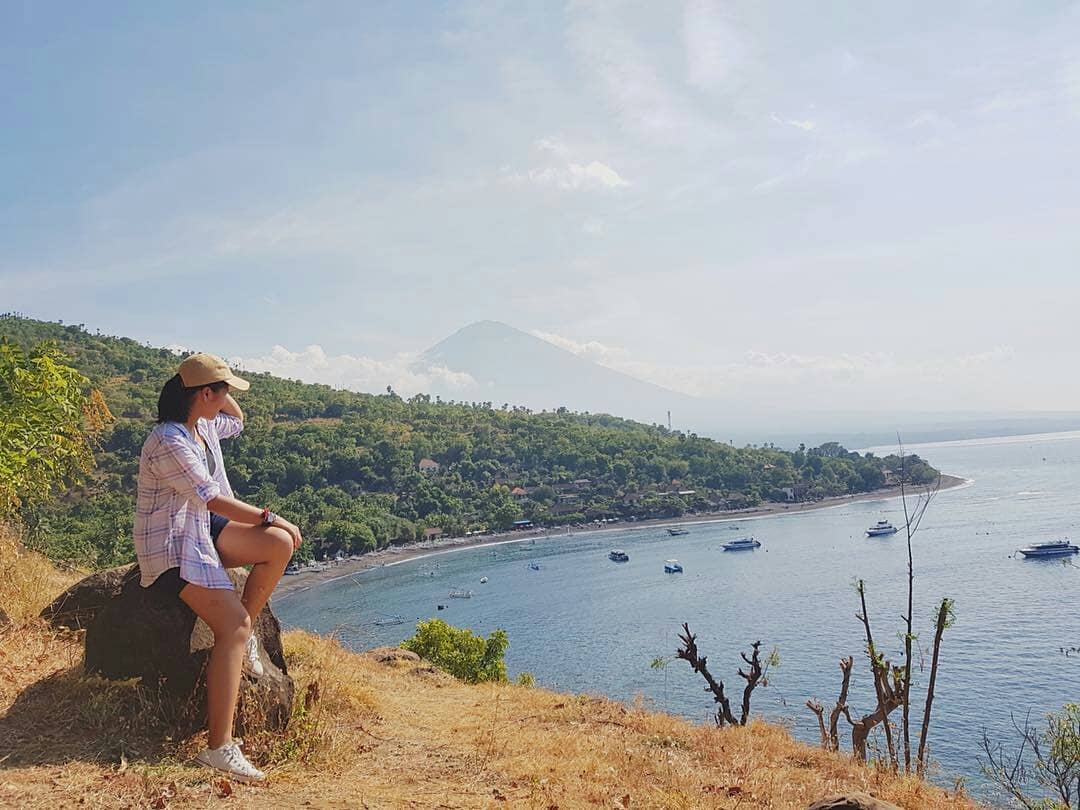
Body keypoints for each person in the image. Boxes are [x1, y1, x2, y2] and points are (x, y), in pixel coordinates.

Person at [133, 352, 303, 782]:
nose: (229, 398)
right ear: (205, 394)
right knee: (233, 627)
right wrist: (271, 515)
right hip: (172, 545)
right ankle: (219, 747)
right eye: (222, 390)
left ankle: (244, 630)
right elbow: (210, 497)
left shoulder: (202, 425)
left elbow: (238, 418)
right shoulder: (169, 440)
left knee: (278, 545)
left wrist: (215, 387)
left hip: (203, 529)